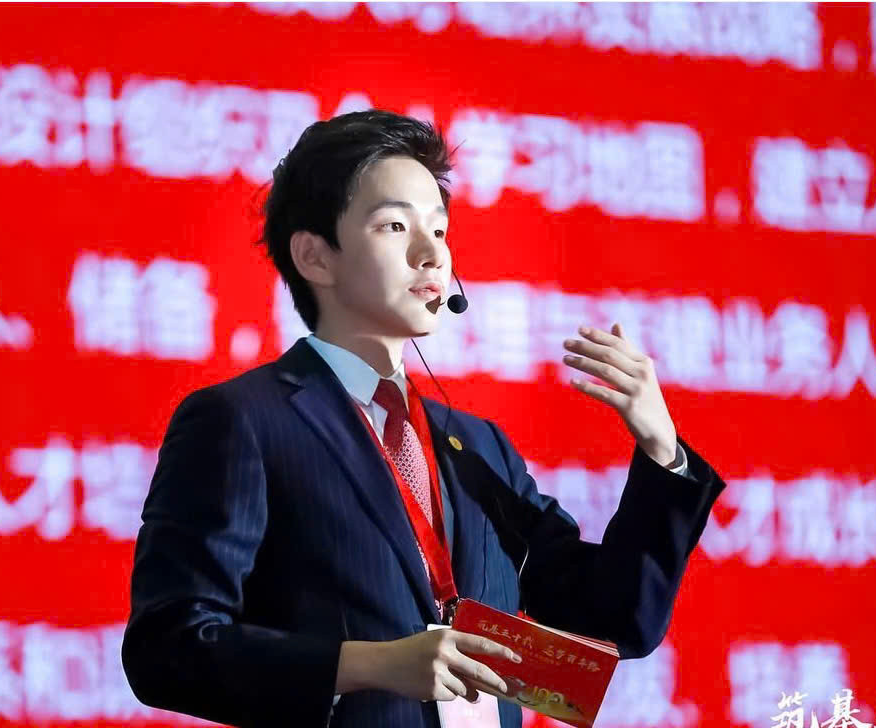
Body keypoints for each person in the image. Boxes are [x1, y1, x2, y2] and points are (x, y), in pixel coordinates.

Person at [121, 110, 725, 728]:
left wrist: (662, 451)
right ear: (314, 256)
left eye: (439, 229)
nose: (432, 254)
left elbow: (616, 619)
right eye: (394, 226)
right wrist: (366, 665)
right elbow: (166, 648)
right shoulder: (244, 421)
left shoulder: (480, 447)